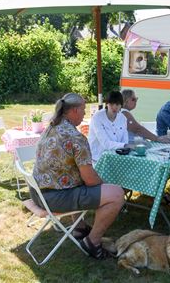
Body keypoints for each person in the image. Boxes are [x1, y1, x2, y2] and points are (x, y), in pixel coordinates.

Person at [31, 93, 124, 259]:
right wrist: (104, 186)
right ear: (74, 111)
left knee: (81, 181)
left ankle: (79, 227)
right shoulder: (76, 137)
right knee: (116, 194)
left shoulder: (51, 127)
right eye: (83, 110)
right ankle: (92, 242)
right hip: (52, 197)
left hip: (37, 192)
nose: (85, 114)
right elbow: (90, 180)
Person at [88, 91, 134, 162]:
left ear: (121, 105)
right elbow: (105, 143)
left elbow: (125, 140)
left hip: (115, 158)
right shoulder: (97, 117)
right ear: (107, 104)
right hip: (97, 159)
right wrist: (125, 145)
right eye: (111, 104)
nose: (114, 107)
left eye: (117, 104)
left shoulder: (123, 118)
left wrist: (126, 147)